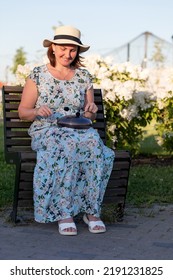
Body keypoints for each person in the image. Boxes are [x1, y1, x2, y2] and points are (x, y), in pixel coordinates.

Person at [18, 25, 115, 236]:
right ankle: (64, 212)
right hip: (47, 129)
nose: (67, 54)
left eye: (72, 50)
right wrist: (36, 111)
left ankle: (91, 211)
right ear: (52, 47)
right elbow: (22, 112)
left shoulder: (83, 77)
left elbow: (90, 116)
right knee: (66, 146)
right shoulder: (38, 74)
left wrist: (91, 110)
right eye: (63, 48)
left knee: (98, 150)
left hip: (78, 129)